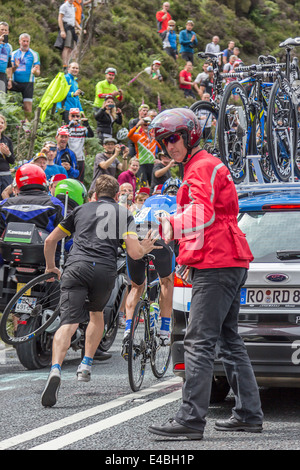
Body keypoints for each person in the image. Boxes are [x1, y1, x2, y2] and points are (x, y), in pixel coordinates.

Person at [148, 108, 263, 439]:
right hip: (223, 258)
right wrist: (190, 255)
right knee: (228, 340)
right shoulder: (204, 166)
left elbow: (201, 212)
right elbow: (214, 219)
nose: (169, 146)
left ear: (189, 135)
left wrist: (169, 224)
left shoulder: (200, 168)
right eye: (164, 141)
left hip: (218, 262)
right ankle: (248, 414)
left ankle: (190, 419)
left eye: (174, 138)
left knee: (198, 340)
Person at [41, 174, 161, 407]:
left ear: (94, 194)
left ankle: (56, 368)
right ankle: (85, 364)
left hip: (77, 266)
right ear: (117, 196)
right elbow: (134, 253)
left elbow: (50, 241)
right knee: (96, 314)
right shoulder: (123, 213)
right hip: (104, 270)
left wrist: (50, 266)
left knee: (68, 322)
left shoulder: (80, 210)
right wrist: (145, 248)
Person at [121, 177, 179, 359]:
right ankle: (164, 330)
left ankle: (128, 330)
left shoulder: (149, 201)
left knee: (136, 287)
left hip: (135, 236)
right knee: (167, 282)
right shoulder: (179, 202)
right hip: (158, 239)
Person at [0, 163, 63, 235]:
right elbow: (65, 238)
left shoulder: (4, 205)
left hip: (10, 246)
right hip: (46, 246)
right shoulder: (55, 204)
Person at [10, 33, 40, 119]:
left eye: (27, 41)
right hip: (15, 82)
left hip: (28, 83)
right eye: (24, 41)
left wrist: (35, 72)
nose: (26, 43)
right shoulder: (13, 53)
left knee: (27, 108)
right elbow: (9, 71)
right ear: (20, 41)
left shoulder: (34, 54)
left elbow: (38, 72)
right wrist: (15, 66)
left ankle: (27, 127)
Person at [127, 116, 161, 187]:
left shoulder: (154, 137)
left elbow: (163, 148)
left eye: (149, 125)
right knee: (142, 186)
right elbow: (129, 135)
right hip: (141, 164)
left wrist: (161, 159)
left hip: (152, 164)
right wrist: (137, 125)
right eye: (145, 125)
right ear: (142, 126)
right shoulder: (138, 137)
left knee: (153, 186)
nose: (147, 127)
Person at [64, 107, 94, 181]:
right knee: (67, 180)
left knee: (79, 181)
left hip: (80, 159)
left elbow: (91, 135)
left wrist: (87, 125)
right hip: (68, 158)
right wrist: (70, 126)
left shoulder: (83, 129)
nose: (75, 118)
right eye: (73, 116)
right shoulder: (65, 128)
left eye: (77, 116)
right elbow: (60, 136)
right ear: (69, 117)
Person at [55, 0, 81, 71]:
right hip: (66, 27)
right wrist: (62, 30)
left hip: (72, 28)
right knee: (66, 47)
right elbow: (60, 18)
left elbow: (74, 20)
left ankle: (68, 63)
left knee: (70, 48)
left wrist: (80, 28)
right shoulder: (64, 6)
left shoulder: (73, 7)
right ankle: (65, 65)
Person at [0, 114, 15, 199]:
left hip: (6, 176)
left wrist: (8, 153)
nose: (0, 124)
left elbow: (12, 160)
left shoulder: (7, 140)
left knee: (7, 202)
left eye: (2, 123)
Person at [0, 22, 13, 94]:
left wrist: (9, 79)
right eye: (2, 29)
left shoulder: (9, 47)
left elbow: (9, 64)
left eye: (5, 30)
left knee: (2, 99)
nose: (4, 32)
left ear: (8, 32)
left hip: (2, 74)